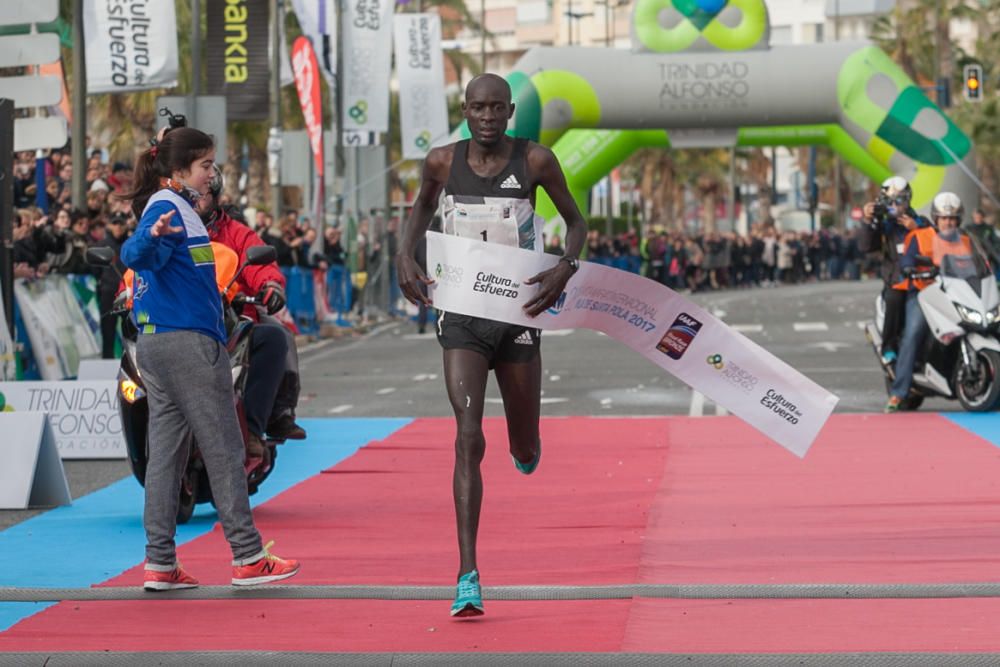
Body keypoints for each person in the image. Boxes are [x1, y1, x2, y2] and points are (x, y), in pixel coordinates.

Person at [396, 73, 586, 618]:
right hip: (462, 313)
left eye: (496, 109)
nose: (486, 117)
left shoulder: (536, 161)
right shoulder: (440, 161)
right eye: (477, 108)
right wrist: (405, 256)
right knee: (467, 434)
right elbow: (420, 211)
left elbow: (576, 224)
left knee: (522, 446)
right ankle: (467, 575)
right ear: (465, 109)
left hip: (518, 312)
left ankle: (526, 447)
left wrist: (563, 269)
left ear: (509, 113)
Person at [118, 125, 299, 591]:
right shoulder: (166, 206)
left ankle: (160, 563)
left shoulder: (181, 208)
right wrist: (148, 238)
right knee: (224, 450)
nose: (212, 174)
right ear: (178, 170)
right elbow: (134, 253)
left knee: (166, 457)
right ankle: (248, 557)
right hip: (188, 345)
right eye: (205, 165)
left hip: (161, 344)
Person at [196, 166, 307, 444]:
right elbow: (138, 266)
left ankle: (259, 426)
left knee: (276, 336)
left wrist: (270, 285)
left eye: (203, 194)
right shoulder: (166, 226)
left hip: (231, 322)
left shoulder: (236, 233)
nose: (195, 200)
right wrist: (126, 291)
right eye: (188, 194)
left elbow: (262, 266)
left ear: (216, 195)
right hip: (179, 325)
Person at [885, 191, 967, 413]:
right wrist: (910, 268)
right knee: (914, 333)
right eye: (944, 218)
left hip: (958, 295)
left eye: (952, 218)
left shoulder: (966, 240)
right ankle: (898, 392)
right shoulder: (920, 235)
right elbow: (907, 260)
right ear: (936, 219)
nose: (949, 222)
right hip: (924, 293)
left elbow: (982, 263)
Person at [858, 176, 928, 364]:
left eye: (900, 200)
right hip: (897, 280)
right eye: (890, 201)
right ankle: (888, 346)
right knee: (894, 299)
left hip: (924, 281)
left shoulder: (920, 221)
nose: (895, 206)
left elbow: (935, 241)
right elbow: (866, 246)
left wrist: (916, 229)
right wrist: (868, 220)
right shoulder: (883, 224)